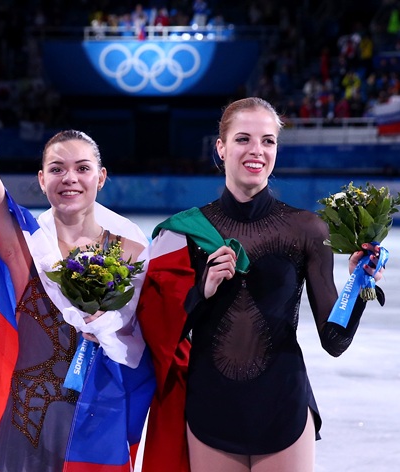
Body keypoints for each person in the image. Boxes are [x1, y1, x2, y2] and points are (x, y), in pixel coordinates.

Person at [0, 47, 155, 472]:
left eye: (82, 169)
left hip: (102, 421)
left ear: (100, 177)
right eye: (57, 169)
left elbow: (148, 340)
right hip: (30, 421)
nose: (70, 178)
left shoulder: (132, 253)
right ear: (42, 179)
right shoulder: (27, 248)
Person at [138, 97, 386, 472]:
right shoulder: (184, 233)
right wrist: (201, 291)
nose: (257, 150)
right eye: (243, 139)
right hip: (211, 409)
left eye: (268, 141)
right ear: (220, 148)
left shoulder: (307, 229)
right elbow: (162, 337)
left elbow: (334, 341)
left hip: (282, 406)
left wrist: (360, 284)